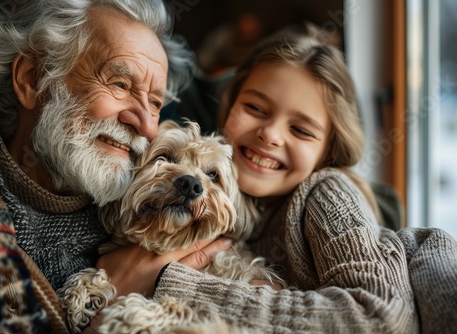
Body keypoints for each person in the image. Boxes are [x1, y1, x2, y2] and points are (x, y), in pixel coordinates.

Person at [96, 30, 457, 333]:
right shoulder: (224, 208)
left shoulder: (325, 193)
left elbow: (379, 318)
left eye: (300, 129)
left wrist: (165, 281)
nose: (269, 135)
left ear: (327, 155)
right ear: (229, 108)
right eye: (255, 109)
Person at [0, 0, 233, 332]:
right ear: (32, 79)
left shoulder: (145, 198)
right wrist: (116, 291)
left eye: (156, 102)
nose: (146, 125)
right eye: (120, 85)